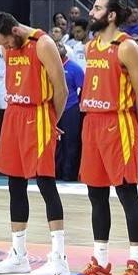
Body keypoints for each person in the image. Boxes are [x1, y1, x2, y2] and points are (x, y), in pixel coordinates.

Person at [66, 0, 138, 275]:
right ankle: (100, 265)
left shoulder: (127, 47)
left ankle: (137, 267)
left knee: (127, 193)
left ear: (112, 15)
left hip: (119, 123)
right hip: (93, 121)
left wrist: (137, 133)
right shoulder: (91, 47)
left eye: (98, 8)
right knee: (96, 194)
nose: (92, 12)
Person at [0, 12, 70, 275]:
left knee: (45, 183)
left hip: (39, 114)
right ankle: (19, 255)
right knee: (15, 183)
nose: (6, 48)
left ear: (15, 30)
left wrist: (52, 120)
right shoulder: (11, 45)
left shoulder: (42, 43)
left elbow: (62, 89)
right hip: (15, 114)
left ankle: (59, 258)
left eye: (6, 43)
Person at [57, 41, 84, 183]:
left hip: (70, 108)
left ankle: (69, 174)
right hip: (54, 108)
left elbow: (83, 88)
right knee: (55, 143)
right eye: (56, 45)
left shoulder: (75, 68)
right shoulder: (50, 66)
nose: (58, 47)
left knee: (70, 142)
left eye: (60, 45)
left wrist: (79, 105)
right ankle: (55, 172)